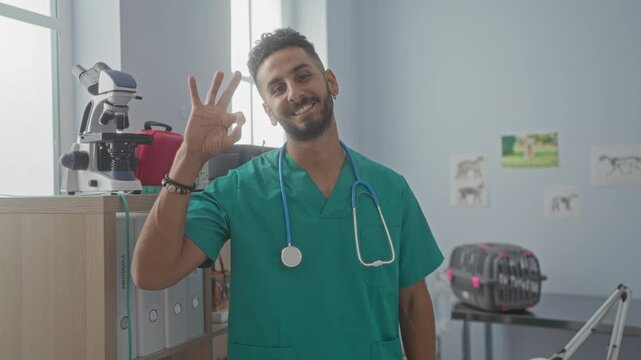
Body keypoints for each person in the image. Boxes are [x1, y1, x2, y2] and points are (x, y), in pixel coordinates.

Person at [132, 27, 443, 360]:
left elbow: (412, 304)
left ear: (331, 82)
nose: (294, 93)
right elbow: (152, 273)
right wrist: (189, 156)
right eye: (277, 88)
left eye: (303, 76)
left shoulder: (389, 190)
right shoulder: (238, 190)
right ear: (268, 111)